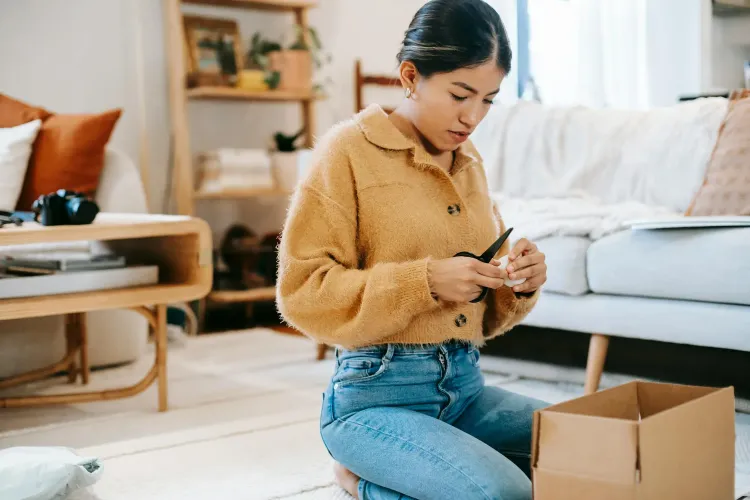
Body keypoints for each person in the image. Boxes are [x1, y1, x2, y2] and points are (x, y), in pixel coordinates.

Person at [276, 1, 548, 498]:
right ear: (410, 76)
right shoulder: (346, 152)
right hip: (375, 398)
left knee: (598, 448)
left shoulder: (469, 163)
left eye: (488, 99)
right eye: (460, 94)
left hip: (465, 390)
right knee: (507, 495)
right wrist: (423, 282)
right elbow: (302, 292)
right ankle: (359, 479)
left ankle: (419, 466)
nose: (473, 116)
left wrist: (517, 281)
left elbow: (485, 318)